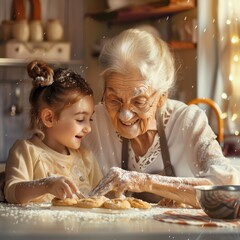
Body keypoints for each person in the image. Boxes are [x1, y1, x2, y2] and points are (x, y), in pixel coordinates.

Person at [82, 28, 240, 208]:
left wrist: (145, 181)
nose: (125, 114)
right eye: (114, 100)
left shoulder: (188, 121)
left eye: (139, 101)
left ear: (161, 97)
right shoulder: (92, 121)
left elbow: (226, 190)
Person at [4, 60, 102, 204]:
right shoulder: (27, 151)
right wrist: (46, 185)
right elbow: (12, 192)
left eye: (90, 119)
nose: (88, 128)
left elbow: (100, 198)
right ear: (49, 118)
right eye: (81, 119)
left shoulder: (86, 158)